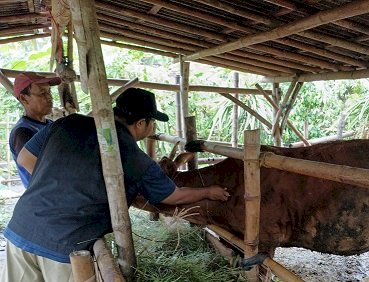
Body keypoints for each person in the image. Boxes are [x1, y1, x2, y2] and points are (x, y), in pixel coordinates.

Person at [0, 88, 230, 282]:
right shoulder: (135, 157)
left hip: (20, 229)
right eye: (152, 124)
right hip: (65, 246)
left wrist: (59, 182)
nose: (152, 129)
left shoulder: (67, 123)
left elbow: (24, 159)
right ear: (141, 123)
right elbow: (173, 196)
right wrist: (210, 191)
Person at [9, 72, 61, 188]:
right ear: (24, 98)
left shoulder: (51, 125)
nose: (49, 97)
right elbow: (42, 173)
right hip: (45, 200)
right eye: (42, 93)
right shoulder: (22, 132)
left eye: (49, 92)